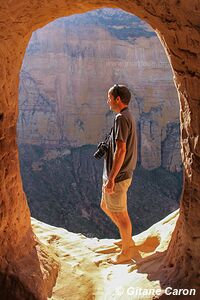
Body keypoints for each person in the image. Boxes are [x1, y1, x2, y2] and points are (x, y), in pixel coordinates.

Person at [100, 84, 137, 264]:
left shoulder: (121, 118)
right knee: (105, 205)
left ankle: (126, 252)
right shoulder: (126, 116)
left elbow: (121, 150)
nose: (107, 100)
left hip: (119, 176)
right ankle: (127, 239)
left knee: (121, 215)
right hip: (116, 174)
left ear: (117, 99)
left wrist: (112, 179)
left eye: (109, 97)